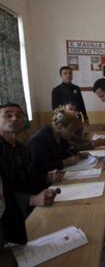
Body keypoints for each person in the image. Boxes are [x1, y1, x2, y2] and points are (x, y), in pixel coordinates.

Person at [0, 103, 59, 244]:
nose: (14, 118)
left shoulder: (20, 147)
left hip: (27, 214)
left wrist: (48, 178)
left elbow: (28, 178)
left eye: (19, 115)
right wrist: (31, 199)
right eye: (8, 115)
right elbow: (4, 194)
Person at [27, 107, 87, 186]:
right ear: (59, 126)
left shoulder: (61, 136)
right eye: (71, 130)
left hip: (59, 176)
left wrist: (76, 154)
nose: (72, 134)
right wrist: (63, 163)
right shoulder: (39, 140)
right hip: (41, 183)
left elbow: (66, 151)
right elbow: (39, 167)